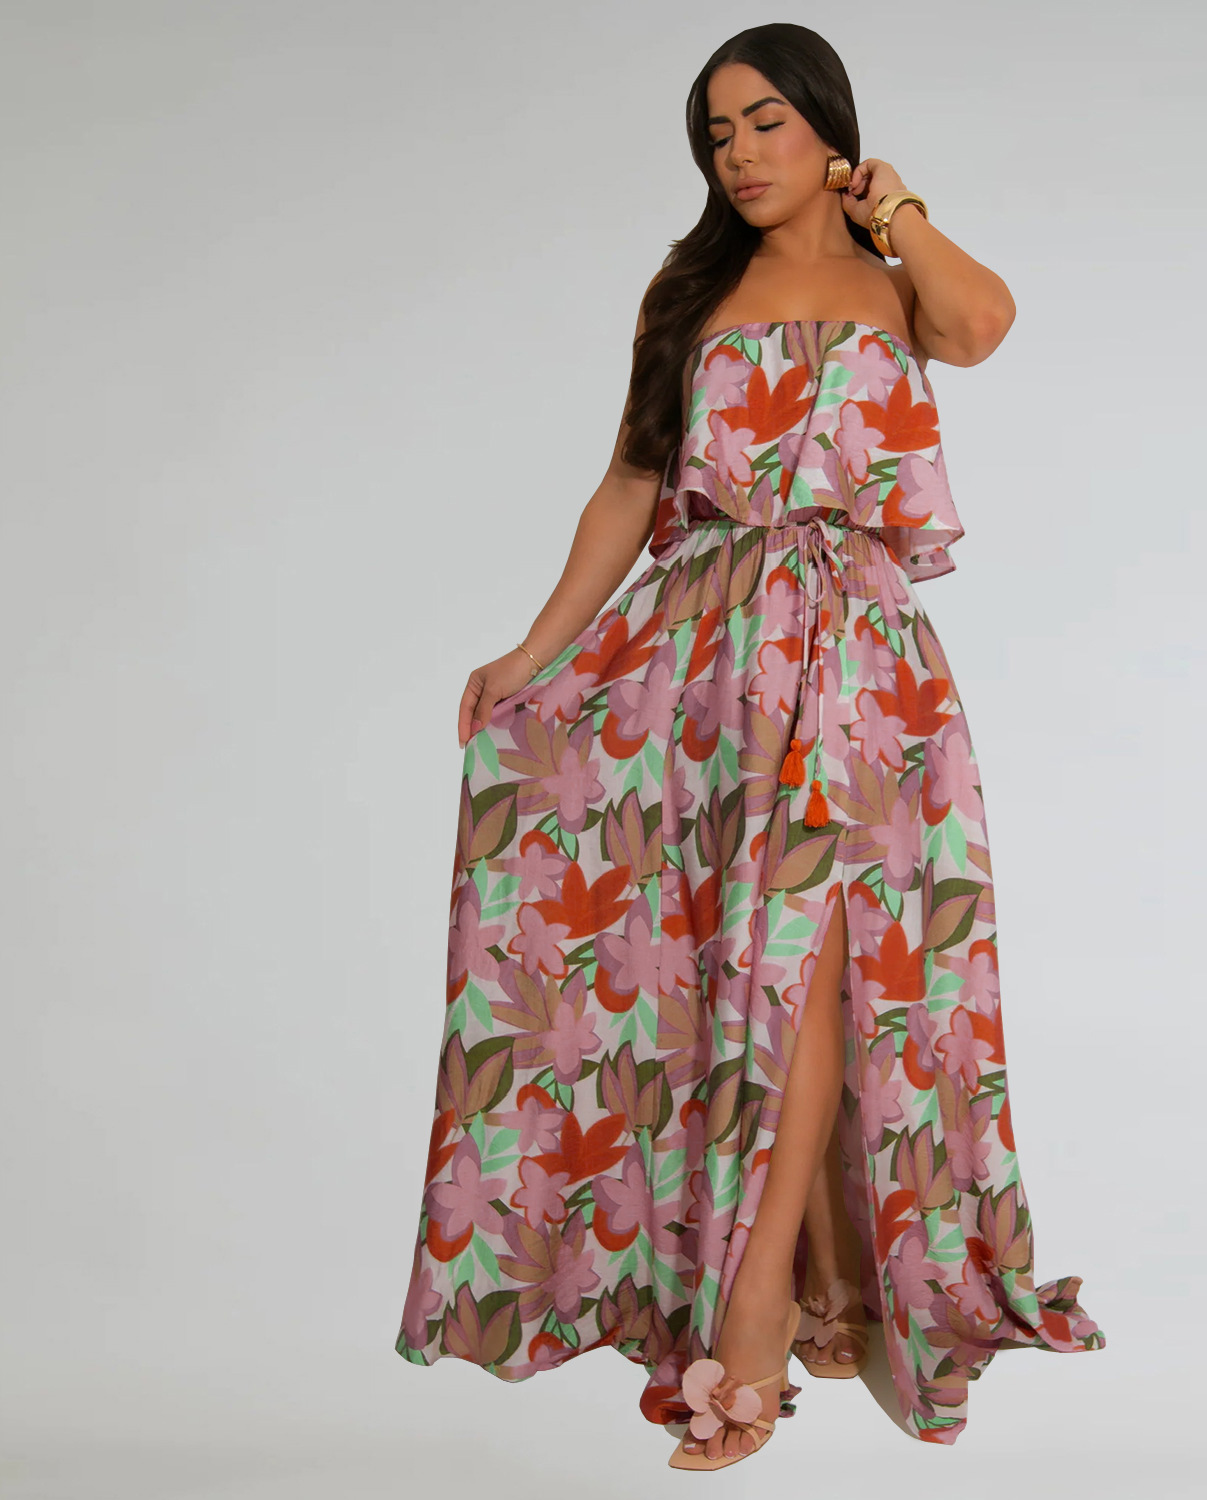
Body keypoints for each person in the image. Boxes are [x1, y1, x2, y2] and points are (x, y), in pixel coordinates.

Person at [394, 21, 1104, 1471]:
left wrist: (896, 206)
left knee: (827, 969)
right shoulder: (693, 289)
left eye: (766, 121)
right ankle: (755, 1310)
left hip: (863, 667)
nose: (738, 154)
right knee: (741, 984)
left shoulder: (894, 283)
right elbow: (631, 483)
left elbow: (981, 324)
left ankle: (756, 1327)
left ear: (830, 127)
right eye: (717, 134)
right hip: (706, 664)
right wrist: (532, 654)